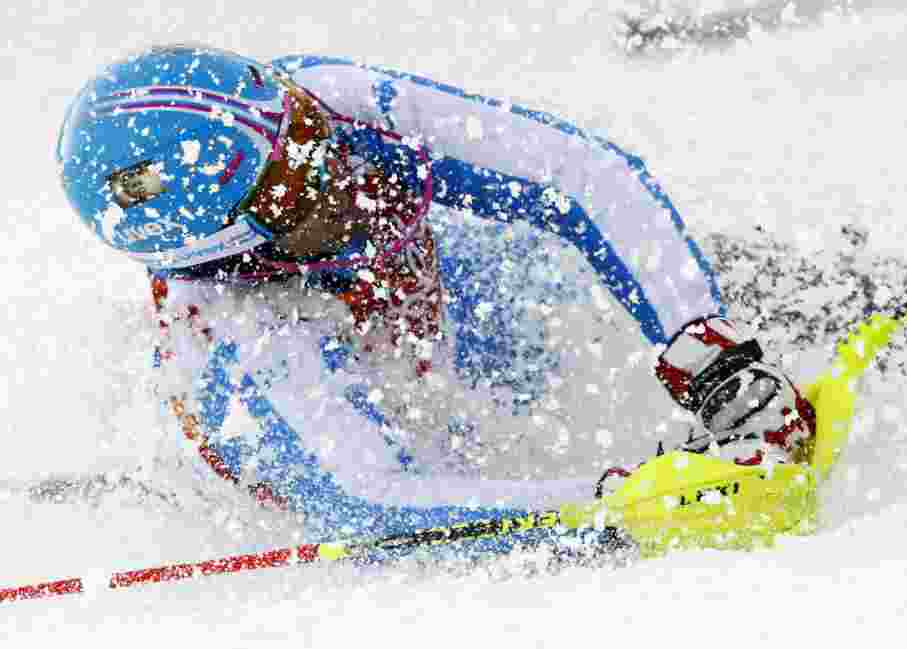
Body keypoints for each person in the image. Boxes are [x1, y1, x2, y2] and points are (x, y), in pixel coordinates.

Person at [57, 45, 815, 551]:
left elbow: (578, 175)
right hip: (357, 437)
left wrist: (705, 349)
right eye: (294, 186)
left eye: (307, 131)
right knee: (455, 443)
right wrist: (632, 501)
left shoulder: (334, 106)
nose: (337, 167)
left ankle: (783, 313)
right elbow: (376, 500)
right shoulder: (233, 340)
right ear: (231, 250)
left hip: (446, 304)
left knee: (563, 266)